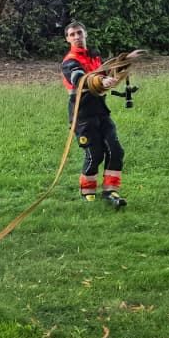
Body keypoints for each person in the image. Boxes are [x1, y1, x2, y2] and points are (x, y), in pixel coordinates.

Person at [59, 22, 127, 208]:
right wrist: (101, 80)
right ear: (67, 39)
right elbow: (80, 78)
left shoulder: (94, 56)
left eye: (79, 33)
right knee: (95, 154)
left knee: (115, 150)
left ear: (85, 34)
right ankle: (87, 192)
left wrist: (126, 60)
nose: (76, 37)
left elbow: (108, 71)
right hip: (82, 116)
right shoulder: (69, 61)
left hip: (101, 111)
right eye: (72, 34)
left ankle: (110, 190)